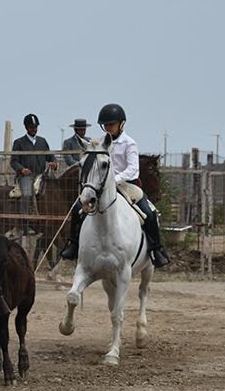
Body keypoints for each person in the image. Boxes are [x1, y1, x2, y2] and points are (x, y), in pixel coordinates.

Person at [60, 104, 170, 268]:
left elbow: (133, 169)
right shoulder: (100, 143)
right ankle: (73, 244)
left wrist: (115, 180)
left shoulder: (129, 143)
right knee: (78, 209)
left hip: (127, 185)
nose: (108, 127)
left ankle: (156, 250)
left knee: (149, 214)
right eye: (105, 125)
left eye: (111, 124)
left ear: (121, 123)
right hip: (102, 186)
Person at [10, 114, 57, 232]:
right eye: (31, 127)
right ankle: (24, 221)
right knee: (27, 194)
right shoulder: (19, 142)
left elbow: (50, 157)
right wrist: (22, 169)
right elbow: (13, 161)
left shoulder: (42, 141)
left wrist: (54, 163)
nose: (34, 129)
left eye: (35, 126)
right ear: (26, 127)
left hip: (42, 175)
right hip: (26, 176)